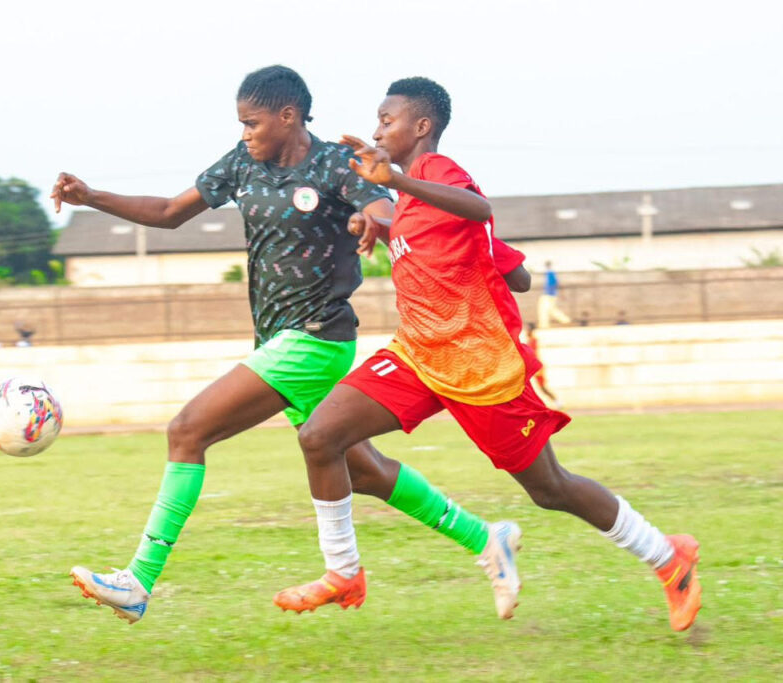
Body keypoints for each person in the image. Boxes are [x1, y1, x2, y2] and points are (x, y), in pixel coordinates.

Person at [51, 65, 521, 624]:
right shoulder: (241, 164)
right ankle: (486, 538)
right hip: (281, 340)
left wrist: (373, 223)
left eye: (252, 123)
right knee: (362, 471)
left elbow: (385, 212)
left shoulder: (335, 166)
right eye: (241, 124)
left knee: (188, 429)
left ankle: (138, 579)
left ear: (288, 116)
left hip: (315, 337)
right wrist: (91, 196)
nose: (245, 133)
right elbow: (169, 214)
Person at [274, 77, 701, 632]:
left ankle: (669, 558)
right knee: (319, 435)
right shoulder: (407, 204)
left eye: (387, 120)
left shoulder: (435, 171)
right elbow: (516, 275)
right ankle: (343, 572)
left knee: (551, 489)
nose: (378, 131)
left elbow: (478, 207)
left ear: (421, 127)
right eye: (377, 121)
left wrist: (398, 183)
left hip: (481, 368)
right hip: (417, 357)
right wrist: (375, 224)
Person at [525, 322, 561, 409]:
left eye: (527, 329)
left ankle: (557, 401)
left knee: (542, 387)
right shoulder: (530, 340)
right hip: (533, 365)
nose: (526, 331)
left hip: (536, 366)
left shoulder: (533, 340)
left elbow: (534, 354)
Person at [538, 260, 571, 328]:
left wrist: (562, 294)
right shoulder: (550, 273)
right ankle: (565, 320)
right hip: (551, 294)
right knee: (551, 309)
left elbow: (557, 284)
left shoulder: (550, 273)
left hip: (549, 294)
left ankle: (544, 325)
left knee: (544, 309)